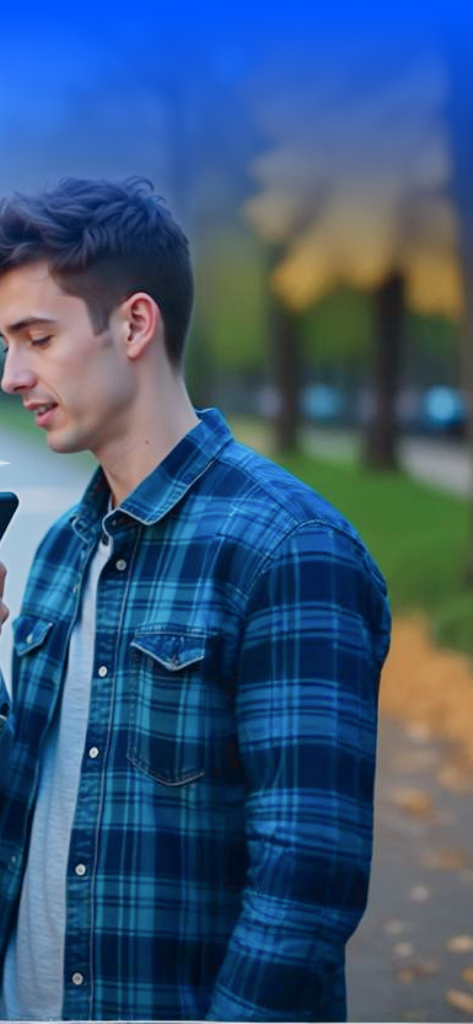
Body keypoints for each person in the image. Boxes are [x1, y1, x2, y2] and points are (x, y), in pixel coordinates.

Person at [0, 176, 390, 1023]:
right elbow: (21, 806)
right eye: (6, 344)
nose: (11, 374)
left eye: (36, 338)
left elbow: (305, 885)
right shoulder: (63, 550)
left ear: (134, 324)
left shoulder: (289, 549)